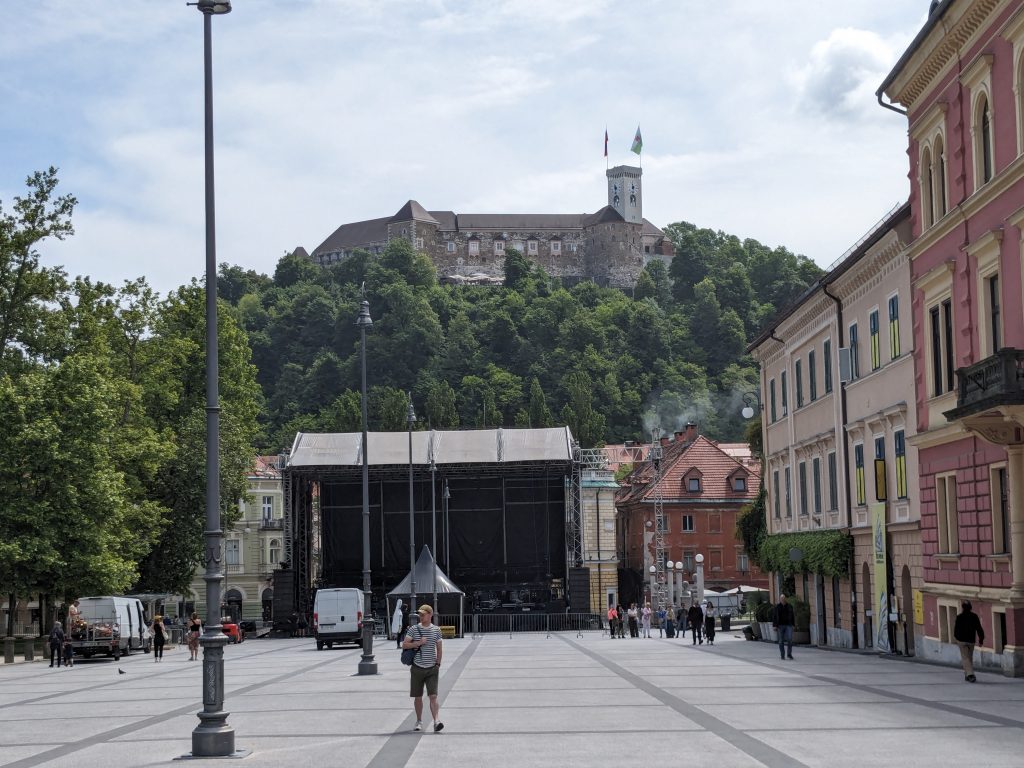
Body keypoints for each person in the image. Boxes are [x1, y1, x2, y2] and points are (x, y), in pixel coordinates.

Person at [402, 604, 444, 733]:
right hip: (417, 668)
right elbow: (404, 645)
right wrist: (418, 643)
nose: (421, 616)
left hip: (432, 669)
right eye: (420, 614)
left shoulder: (436, 630)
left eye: (423, 614)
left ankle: (436, 721)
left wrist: (438, 664)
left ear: (430, 615)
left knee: (433, 696)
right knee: (418, 697)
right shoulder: (414, 629)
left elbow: (439, 648)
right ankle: (419, 721)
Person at [954, 600, 984, 682]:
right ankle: (968, 674)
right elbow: (979, 629)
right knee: (969, 658)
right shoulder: (974, 616)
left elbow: (956, 630)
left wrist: (957, 638)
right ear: (970, 607)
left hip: (961, 640)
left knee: (965, 658)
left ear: (963, 607)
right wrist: (981, 640)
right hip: (971, 640)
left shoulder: (959, 617)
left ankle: (970, 674)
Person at [773, 594, 795, 660]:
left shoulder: (790, 606)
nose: (783, 599)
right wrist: (775, 625)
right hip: (780, 625)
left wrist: (793, 625)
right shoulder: (777, 607)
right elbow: (774, 616)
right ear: (780, 599)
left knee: (790, 639)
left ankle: (789, 654)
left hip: (789, 625)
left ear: (785, 599)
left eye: (784, 598)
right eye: (781, 598)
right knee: (781, 641)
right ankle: (782, 655)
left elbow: (793, 616)